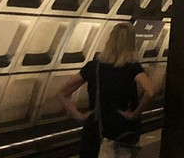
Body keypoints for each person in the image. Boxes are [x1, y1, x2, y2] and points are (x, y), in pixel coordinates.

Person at [57, 22, 155, 158]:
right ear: (131, 43)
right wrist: (134, 115)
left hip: (95, 130)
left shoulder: (93, 66)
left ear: (110, 40)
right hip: (120, 129)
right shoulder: (133, 67)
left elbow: (62, 93)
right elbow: (150, 92)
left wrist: (78, 115)